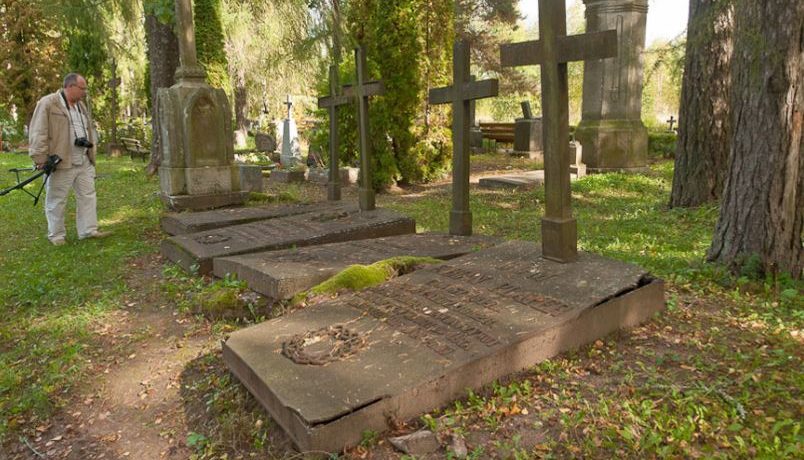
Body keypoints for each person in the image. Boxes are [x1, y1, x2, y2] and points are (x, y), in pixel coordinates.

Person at [28, 73, 109, 245]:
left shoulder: (81, 106)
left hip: (83, 160)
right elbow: (38, 131)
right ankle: (56, 235)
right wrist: (40, 158)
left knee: (88, 195)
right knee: (57, 198)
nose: (84, 92)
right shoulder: (49, 103)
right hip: (61, 160)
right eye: (82, 88)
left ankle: (88, 230)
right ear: (70, 86)